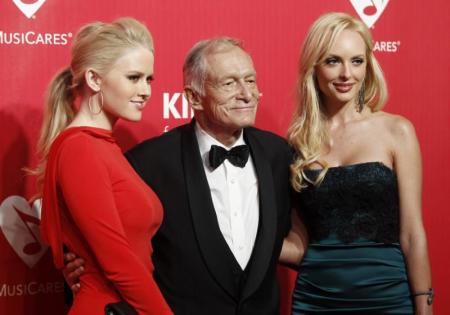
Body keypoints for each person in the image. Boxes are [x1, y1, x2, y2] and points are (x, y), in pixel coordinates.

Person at [65, 37, 292, 314]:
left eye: (251, 81)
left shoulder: (278, 154)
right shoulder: (146, 163)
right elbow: (109, 249)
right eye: (229, 83)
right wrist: (80, 273)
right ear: (193, 97)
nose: (246, 93)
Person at [281, 12, 433, 314]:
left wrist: (424, 306)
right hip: (316, 299)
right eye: (333, 61)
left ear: (368, 65)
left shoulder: (397, 131)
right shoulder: (297, 143)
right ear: (315, 67)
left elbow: (413, 233)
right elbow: (299, 242)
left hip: (387, 297)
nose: (346, 74)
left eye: (357, 61)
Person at [37, 18, 172, 314]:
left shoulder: (102, 146)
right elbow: (117, 260)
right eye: (134, 77)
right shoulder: (80, 148)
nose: (146, 90)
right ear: (95, 79)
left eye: (149, 79)